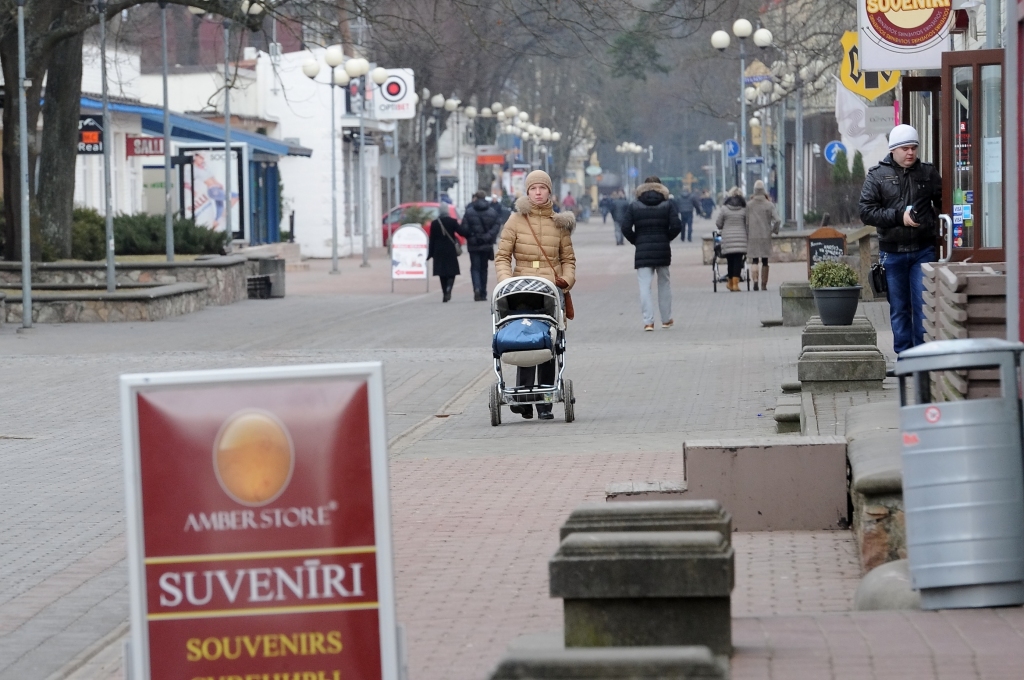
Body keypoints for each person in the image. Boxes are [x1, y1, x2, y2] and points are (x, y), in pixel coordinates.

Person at [495, 170, 576, 420]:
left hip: (550, 291)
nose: (538, 192)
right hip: (521, 289)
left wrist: (566, 280)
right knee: (523, 337)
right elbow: (502, 256)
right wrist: (506, 283)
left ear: (549, 191)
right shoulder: (515, 220)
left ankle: (545, 402)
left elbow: (568, 259)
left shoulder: (560, 223)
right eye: (533, 189)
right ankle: (523, 397)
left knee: (548, 340)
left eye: (542, 188)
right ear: (527, 192)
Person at [859, 124, 942, 354]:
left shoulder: (928, 173)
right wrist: (899, 217)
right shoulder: (877, 175)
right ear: (893, 150)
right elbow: (866, 212)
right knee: (899, 308)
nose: (910, 153)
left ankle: (922, 356)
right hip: (892, 252)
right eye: (905, 148)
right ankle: (905, 356)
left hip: (923, 250)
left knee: (923, 306)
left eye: (914, 147)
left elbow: (945, 202)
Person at [620, 175, 682, 331]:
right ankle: (666, 319)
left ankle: (648, 321)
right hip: (662, 249)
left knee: (644, 286)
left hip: (643, 250)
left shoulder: (634, 206)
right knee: (664, 285)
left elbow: (625, 228)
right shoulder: (668, 205)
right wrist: (666, 238)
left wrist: (637, 241)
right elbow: (676, 226)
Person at [458, 191, 502, 301]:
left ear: (476, 198)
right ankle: (483, 292)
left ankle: (477, 288)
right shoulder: (492, 212)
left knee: (475, 268)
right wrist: (488, 236)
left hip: (473, 245)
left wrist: (472, 237)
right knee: (484, 268)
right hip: (486, 245)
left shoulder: (469, 212)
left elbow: (464, 229)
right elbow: (496, 226)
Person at [746, 179, 781, 291]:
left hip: (753, 235)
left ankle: (755, 281)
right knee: (765, 260)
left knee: (754, 259)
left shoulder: (749, 205)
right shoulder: (769, 205)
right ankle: (764, 284)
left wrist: (747, 232)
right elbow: (777, 220)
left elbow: (745, 221)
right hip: (765, 235)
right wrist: (773, 231)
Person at [716, 187, 748, 292]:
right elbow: (747, 224)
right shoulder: (744, 209)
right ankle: (735, 284)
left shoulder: (724, 209)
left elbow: (718, 223)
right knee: (738, 261)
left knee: (730, 261)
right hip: (741, 238)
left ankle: (730, 282)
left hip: (728, 238)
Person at [427, 211, 462, 302]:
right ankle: (449, 288)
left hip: (438, 251)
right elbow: (461, 231)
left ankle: (444, 293)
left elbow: (432, 239)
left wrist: (430, 254)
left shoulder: (434, 223)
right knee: (452, 272)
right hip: (450, 250)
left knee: (441, 273)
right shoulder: (452, 221)